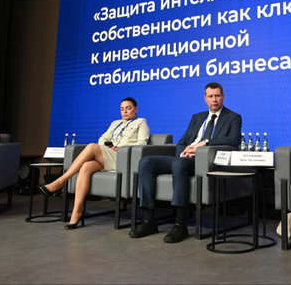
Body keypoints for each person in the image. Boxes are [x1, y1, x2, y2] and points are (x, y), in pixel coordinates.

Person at [129, 82, 242, 243]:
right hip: (185, 157)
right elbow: (183, 140)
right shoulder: (197, 117)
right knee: (146, 162)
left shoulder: (233, 117)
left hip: (204, 160)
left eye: (217, 96)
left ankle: (180, 224)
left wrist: (205, 143)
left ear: (223, 96)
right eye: (210, 96)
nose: (214, 99)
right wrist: (183, 153)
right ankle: (149, 220)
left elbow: (233, 140)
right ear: (205, 98)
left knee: (179, 164)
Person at [41, 97, 149, 229]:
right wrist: (108, 146)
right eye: (122, 109)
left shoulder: (141, 122)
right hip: (109, 155)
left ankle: (61, 180)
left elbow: (142, 143)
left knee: (92, 147)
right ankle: (77, 211)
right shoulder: (115, 123)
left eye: (128, 108)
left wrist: (121, 148)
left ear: (136, 109)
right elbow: (102, 138)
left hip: (124, 158)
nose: (125, 111)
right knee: (86, 166)